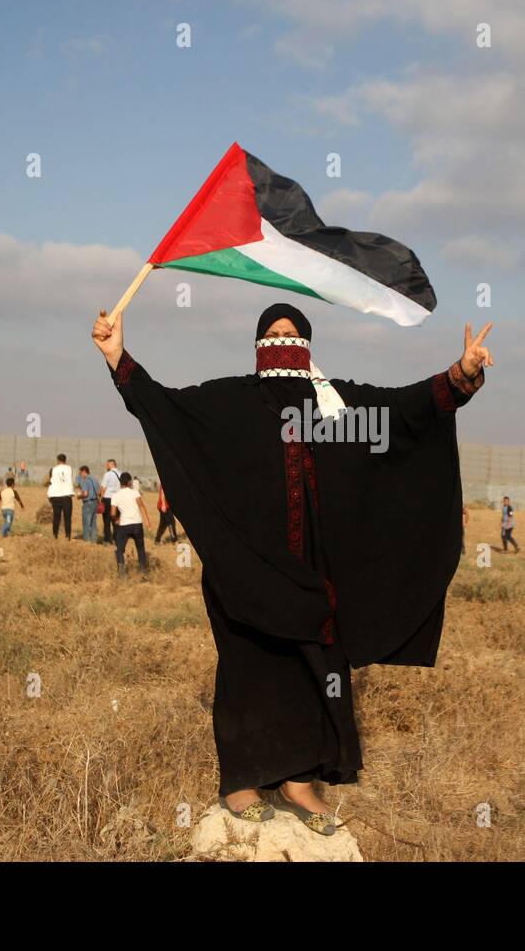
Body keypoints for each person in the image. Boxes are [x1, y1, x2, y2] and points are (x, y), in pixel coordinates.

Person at [93, 300, 491, 830]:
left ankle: (298, 782)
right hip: (248, 572)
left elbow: (405, 409)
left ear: (307, 344)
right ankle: (240, 782)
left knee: (319, 668)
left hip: (316, 576)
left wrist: (460, 376)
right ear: (257, 343)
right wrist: (117, 355)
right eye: (272, 332)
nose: (282, 338)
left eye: (292, 332)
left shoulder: (336, 406)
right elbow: (166, 408)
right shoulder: (231, 401)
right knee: (248, 668)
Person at [111, 471, 151, 576]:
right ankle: (143, 571)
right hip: (137, 524)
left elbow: (112, 513)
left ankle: (122, 572)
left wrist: (116, 520)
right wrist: (147, 521)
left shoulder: (116, 495)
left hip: (124, 525)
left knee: (120, 549)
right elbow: (141, 506)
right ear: (129, 482)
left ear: (120, 482)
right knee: (140, 548)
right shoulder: (135, 492)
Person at [47, 454, 74, 539]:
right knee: (67, 518)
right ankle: (68, 536)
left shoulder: (53, 469)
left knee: (56, 518)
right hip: (66, 496)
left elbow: (51, 481)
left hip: (56, 496)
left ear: (58, 460)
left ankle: (55, 535)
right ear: (65, 460)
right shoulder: (69, 468)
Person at [77, 465, 101, 542]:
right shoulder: (95, 480)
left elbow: (85, 494)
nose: (80, 475)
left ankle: (87, 540)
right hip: (95, 503)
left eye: (80, 473)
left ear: (84, 472)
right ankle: (94, 540)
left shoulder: (86, 480)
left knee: (86, 522)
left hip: (88, 503)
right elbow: (99, 492)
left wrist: (79, 496)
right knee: (93, 522)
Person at [100, 459, 120, 545]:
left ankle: (107, 540)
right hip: (118, 499)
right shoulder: (121, 473)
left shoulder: (107, 474)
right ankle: (117, 539)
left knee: (106, 520)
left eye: (107, 465)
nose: (106, 466)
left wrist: (101, 498)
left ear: (111, 465)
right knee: (116, 520)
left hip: (108, 499)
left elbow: (103, 488)